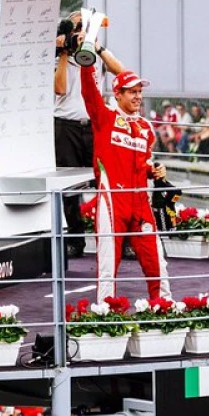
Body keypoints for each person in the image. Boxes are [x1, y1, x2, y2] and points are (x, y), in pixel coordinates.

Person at [78, 63, 171, 302]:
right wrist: (87, 62)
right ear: (117, 94)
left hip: (140, 203)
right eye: (132, 91)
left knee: (156, 260)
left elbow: (143, 164)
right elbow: (89, 91)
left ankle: (163, 307)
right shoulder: (105, 117)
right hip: (112, 201)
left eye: (140, 91)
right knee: (109, 263)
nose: (138, 96)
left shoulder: (146, 128)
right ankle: (106, 313)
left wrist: (154, 171)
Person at [53, 14, 126, 263]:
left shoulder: (95, 53)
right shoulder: (58, 55)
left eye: (84, 27)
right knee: (69, 188)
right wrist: (63, 51)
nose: (81, 32)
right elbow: (59, 88)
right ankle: (75, 240)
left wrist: (96, 46)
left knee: (105, 180)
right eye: (77, 28)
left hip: (95, 125)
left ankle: (118, 239)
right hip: (66, 125)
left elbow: (122, 73)